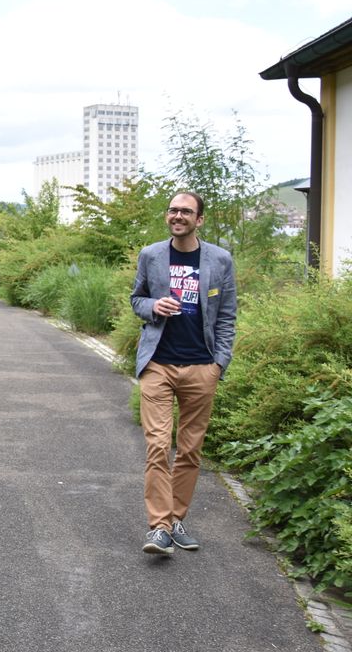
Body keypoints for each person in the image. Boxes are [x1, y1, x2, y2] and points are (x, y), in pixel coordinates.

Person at [130, 190, 236, 556]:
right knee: (159, 445)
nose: (178, 216)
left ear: (199, 219)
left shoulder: (220, 259)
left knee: (190, 450)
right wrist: (152, 306)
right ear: (167, 216)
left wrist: (218, 364)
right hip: (158, 363)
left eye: (186, 212)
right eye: (173, 210)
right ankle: (160, 527)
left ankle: (176, 519)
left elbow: (227, 316)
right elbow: (136, 299)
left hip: (201, 366)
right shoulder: (151, 255)